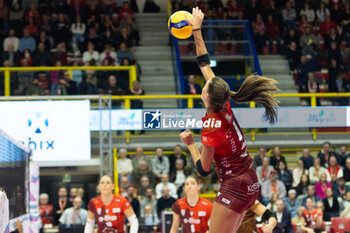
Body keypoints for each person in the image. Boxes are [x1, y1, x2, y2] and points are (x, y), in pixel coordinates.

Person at [179, 7, 279, 233]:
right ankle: (268, 223)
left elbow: (203, 171)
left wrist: (191, 145)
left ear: (206, 97)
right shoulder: (224, 104)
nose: (205, 82)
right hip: (249, 180)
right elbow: (204, 62)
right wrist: (196, 29)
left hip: (235, 186)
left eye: (205, 85)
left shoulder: (212, 125)